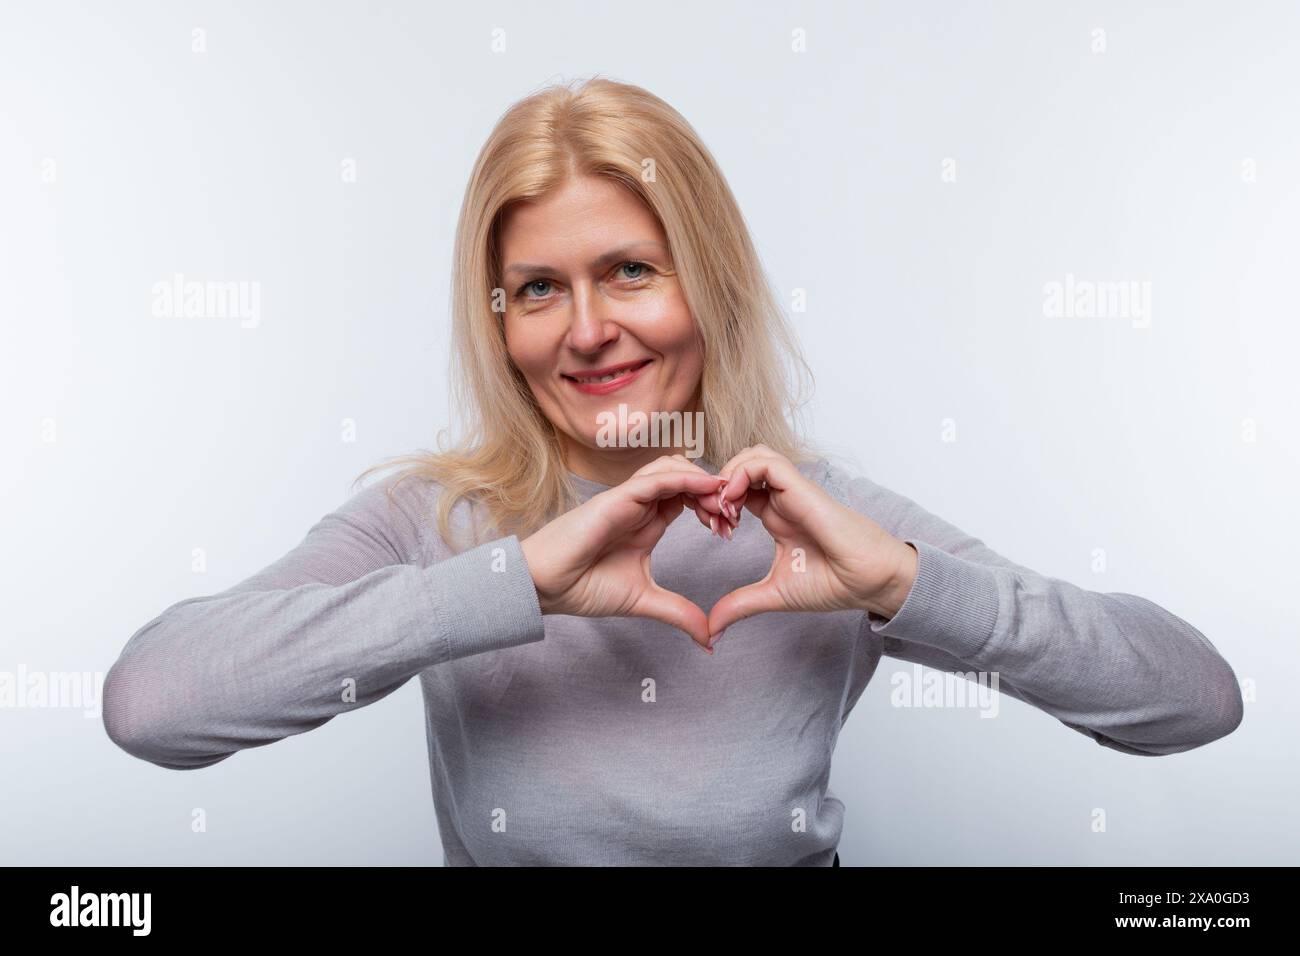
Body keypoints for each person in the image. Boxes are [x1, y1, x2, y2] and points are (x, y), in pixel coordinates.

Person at [102, 77, 1244, 866]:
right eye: (540, 288)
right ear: (498, 318)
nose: (587, 328)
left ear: (708, 281)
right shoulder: (435, 519)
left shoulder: (826, 519)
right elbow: (154, 703)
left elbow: (1194, 700)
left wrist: (905, 581)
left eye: (631, 270)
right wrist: (512, 581)